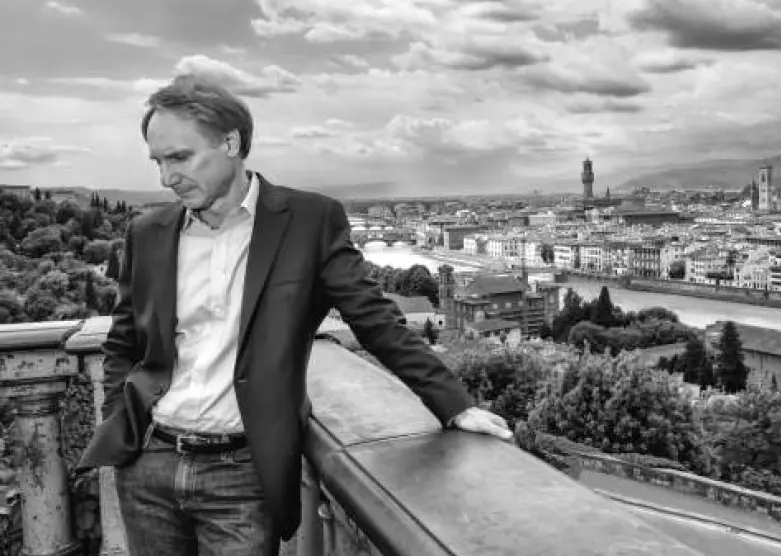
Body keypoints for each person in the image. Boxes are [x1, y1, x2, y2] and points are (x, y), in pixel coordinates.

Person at [75, 74, 513, 556]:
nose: (165, 178)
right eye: (158, 162)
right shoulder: (148, 231)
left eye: (179, 157)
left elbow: (374, 319)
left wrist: (454, 403)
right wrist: (120, 421)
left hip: (242, 474)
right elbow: (124, 340)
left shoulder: (309, 221)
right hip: (148, 465)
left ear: (231, 143)